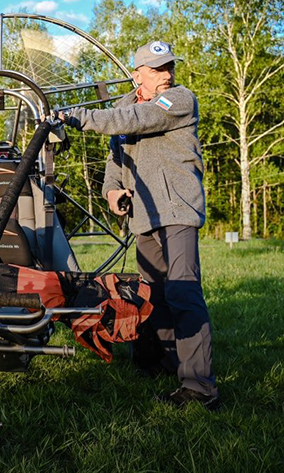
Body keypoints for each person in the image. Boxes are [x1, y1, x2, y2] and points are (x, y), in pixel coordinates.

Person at [59, 41, 220, 410]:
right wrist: (112, 190)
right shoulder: (122, 107)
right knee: (154, 295)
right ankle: (166, 361)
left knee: (183, 292)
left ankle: (200, 387)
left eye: (169, 67)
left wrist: (76, 116)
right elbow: (116, 160)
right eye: (156, 69)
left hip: (177, 210)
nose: (166, 75)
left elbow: (137, 120)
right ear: (138, 74)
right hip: (143, 216)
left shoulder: (178, 99)